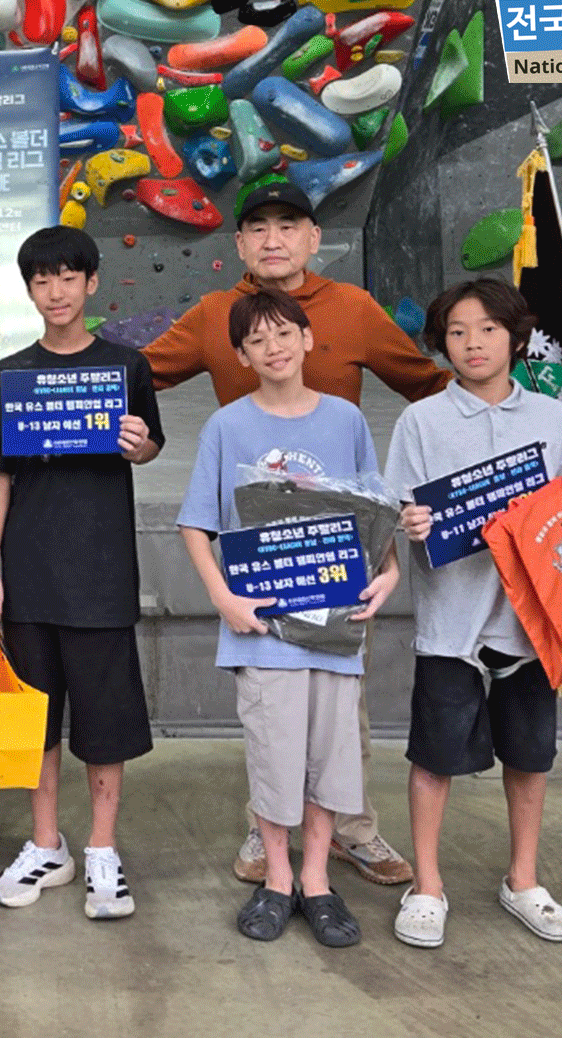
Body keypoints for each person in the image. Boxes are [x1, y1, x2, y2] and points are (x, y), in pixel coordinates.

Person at [144, 178, 443, 888]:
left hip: (338, 555)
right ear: (239, 243)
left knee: (342, 704)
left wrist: (513, 418)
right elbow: (137, 373)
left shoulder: (354, 308)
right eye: (258, 227)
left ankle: (353, 829)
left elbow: (427, 387)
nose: (273, 239)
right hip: (260, 556)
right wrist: (45, 388)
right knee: (269, 711)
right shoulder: (216, 315)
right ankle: (266, 824)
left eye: (289, 225)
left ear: (314, 238)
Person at [384, 278, 562, 950]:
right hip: (450, 622)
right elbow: (393, 509)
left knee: (530, 755)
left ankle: (523, 880)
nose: (472, 343)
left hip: (532, 623)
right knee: (434, 757)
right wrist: (408, 521)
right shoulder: (421, 421)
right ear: (440, 344)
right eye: (456, 332)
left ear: (515, 338)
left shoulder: (552, 419)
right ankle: (427, 887)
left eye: (486, 330)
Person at [176, 289, 401, 948]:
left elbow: (373, 514)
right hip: (264, 631)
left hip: (335, 628)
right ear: (242, 357)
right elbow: (195, 523)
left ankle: (318, 881)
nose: (272, 348)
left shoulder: (345, 420)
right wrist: (224, 597)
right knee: (274, 760)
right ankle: (278, 881)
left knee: (332, 760)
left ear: (307, 339)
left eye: (283, 333)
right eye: (256, 340)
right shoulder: (227, 427)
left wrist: (388, 573)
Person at [0, 226, 164, 920]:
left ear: (91, 283)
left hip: (102, 575)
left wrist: (139, 447)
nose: (56, 291)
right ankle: (46, 843)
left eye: (68, 277)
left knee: (105, 722)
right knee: (36, 721)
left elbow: (147, 445)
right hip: (28, 577)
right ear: (29, 290)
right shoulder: (9, 375)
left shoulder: (125, 367)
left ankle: (102, 849)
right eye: (42, 280)